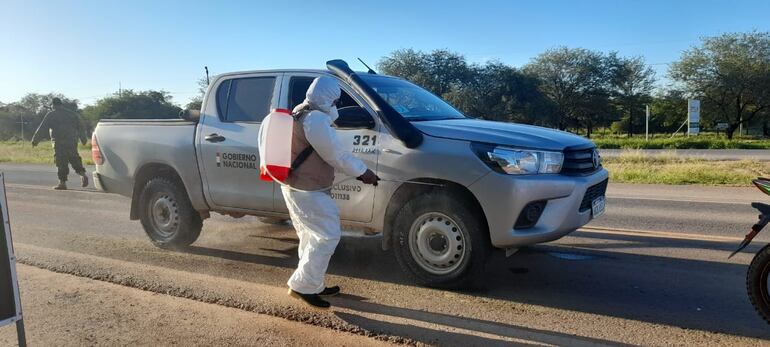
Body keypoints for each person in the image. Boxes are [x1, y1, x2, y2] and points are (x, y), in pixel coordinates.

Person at [269, 76, 379, 309]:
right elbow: (335, 154)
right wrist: (363, 172)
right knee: (327, 235)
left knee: (311, 237)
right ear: (328, 98)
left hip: (296, 187)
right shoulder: (316, 119)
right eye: (335, 100)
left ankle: (313, 283)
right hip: (308, 190)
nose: (337, 106)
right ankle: (302, 286)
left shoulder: (301, 111)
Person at [31, 98, 89, 190]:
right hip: (72, 141)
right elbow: (81, 126)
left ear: (53, 105)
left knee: (61, 162)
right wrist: (83, 139)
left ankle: (62, 183)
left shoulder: (51, 114)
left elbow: (42, 128)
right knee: (74, 158)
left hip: (59, 142)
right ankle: (82, 174)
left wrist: (35, 140)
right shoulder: (72, 114)